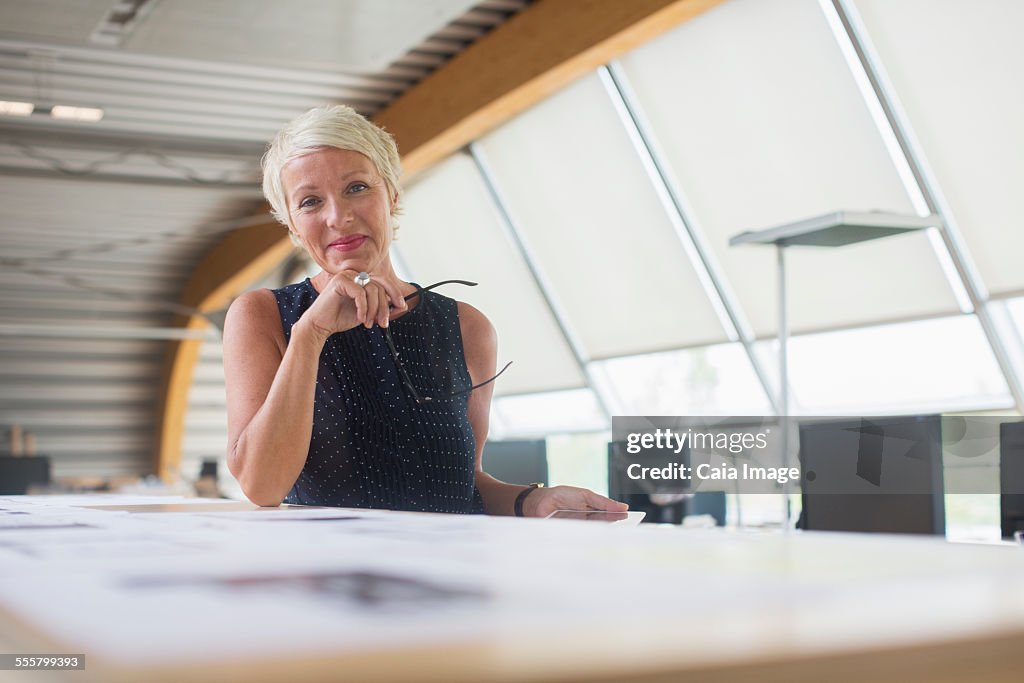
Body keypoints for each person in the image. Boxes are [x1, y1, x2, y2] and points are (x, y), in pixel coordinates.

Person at [223, 104, 627, 518]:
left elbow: (463, 483)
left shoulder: (467, 327)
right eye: (310, 202)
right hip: (332, 576)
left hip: (447, 572)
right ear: (291, 224)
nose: (338, 217)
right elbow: (263, 486)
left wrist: (534, 500)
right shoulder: (265, 315)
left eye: (357, 188)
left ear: (392, 194)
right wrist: (311, 333)